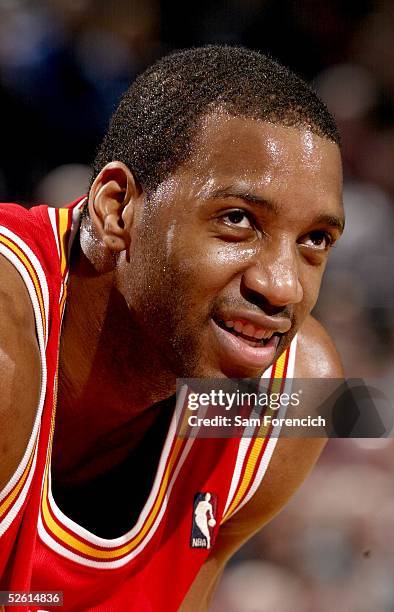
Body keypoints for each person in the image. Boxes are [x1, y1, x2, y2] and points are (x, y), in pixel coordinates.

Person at [0, 46, 344, 610]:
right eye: (238, 220)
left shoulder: (294, 397)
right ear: (117, 209)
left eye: (315, 241)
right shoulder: (9, 340)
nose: (282, 287)